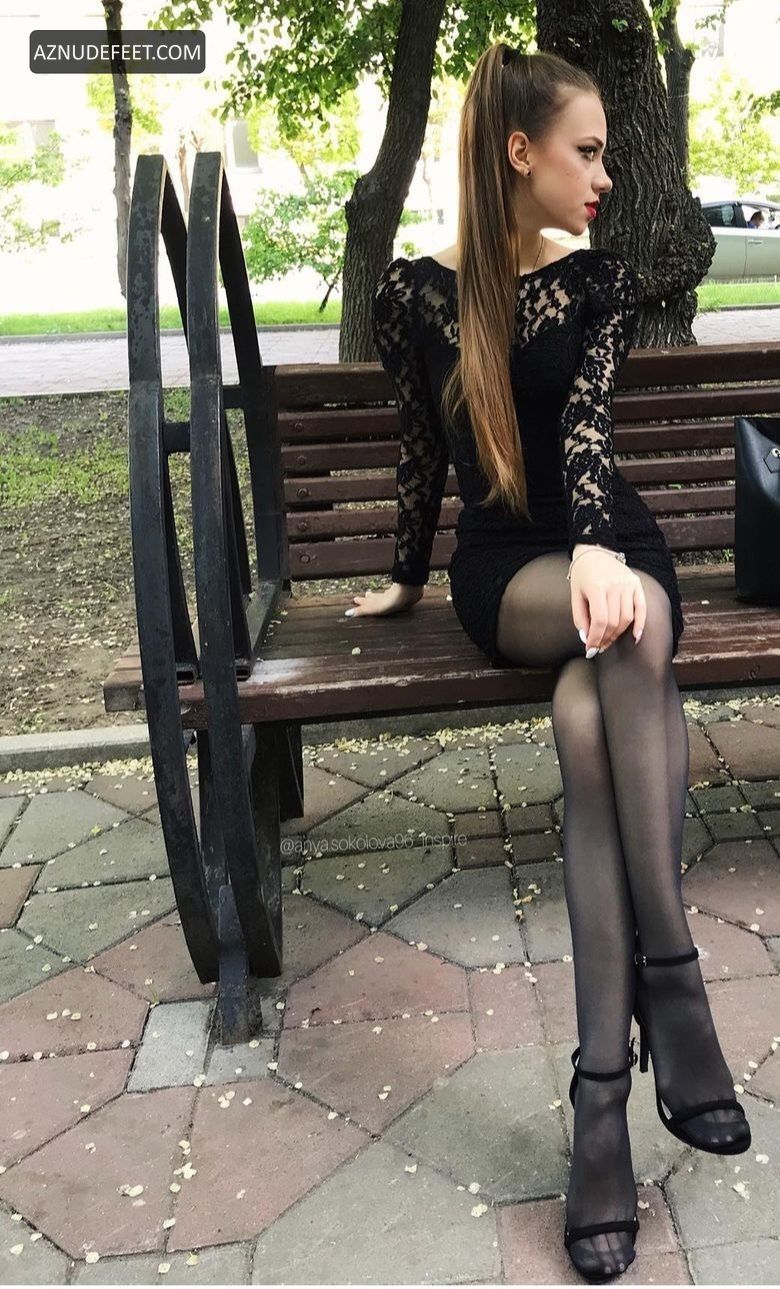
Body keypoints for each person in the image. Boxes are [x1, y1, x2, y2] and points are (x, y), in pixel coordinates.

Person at [352, 42, 752, 1284]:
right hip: (510, 569)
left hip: (609, 539)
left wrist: (599, 546)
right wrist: (406, 574)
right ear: (519, 153)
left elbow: (585, 429)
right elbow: (421, 450)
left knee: (594, 707)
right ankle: (674, 985)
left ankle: (599, 1102)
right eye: (587, 151)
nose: (604, 174)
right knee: (619, 633)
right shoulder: (416, 296)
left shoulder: (602, 282)